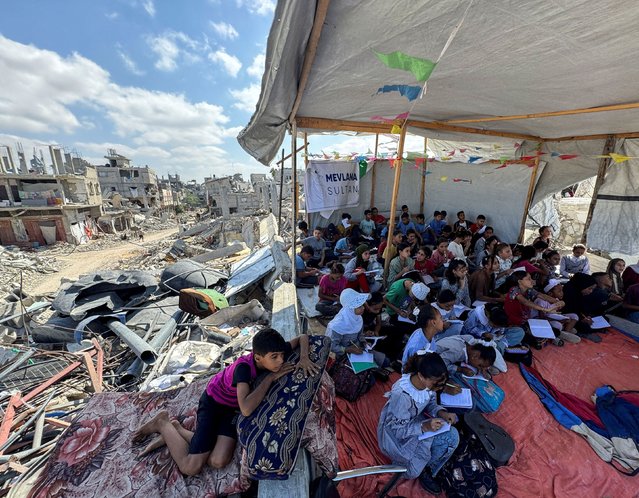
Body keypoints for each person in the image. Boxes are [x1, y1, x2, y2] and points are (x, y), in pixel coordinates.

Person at [133, 328, 317, 475]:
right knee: (191, 467)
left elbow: (303, 337)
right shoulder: (244, 368)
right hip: (214, 403)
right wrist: (270, 378)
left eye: (281, 355)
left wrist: (304, 358)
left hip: (231, 409)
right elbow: (246, 409)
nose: (281, 360)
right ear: (258, 357)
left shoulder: (275, 351)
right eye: (275, 357)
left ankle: (178, 429)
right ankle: (163, 423)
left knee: (217, 461)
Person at [377, 352, 459, 494]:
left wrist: (442, 413)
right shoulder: (402, 396)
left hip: (416, 423)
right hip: (395, 435)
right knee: (411, 472)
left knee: (453, 437)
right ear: (421, 376)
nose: (439, 388)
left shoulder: (426, 384)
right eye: (436, 383)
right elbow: (397, 430)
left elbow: (431, 402)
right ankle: (421, 464)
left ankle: (429, 468)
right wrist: (424, 427)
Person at [326, 289, 387, 367]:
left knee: (385, 362)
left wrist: (364, 343)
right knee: (369, 373)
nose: (363, 308)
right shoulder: (337, 326)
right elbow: (331, 346)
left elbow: (360, 335)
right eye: (359, 306)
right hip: (345, 355)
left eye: (362, 305)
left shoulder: (358, 318)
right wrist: (347, 349)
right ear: (350, 309)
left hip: (360, 350)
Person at [504, 271, 564, 346]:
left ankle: (550, 337)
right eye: (529, 279)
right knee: (529, 336)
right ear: (520, 281)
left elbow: (542, 296)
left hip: (525, 321)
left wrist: (557, 301)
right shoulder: (514, 290)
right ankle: (546, 338)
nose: (532, 281)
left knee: (553, 331)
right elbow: (525, 302)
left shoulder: (529, 290)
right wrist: (544, 309)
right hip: (513, 323)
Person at [562, 273, 601, 341]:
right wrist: (582, 318)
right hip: (566, 316)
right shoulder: (568, 291)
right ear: (583, 285)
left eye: (592, 289)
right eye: (589, 289)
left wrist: (586, 316)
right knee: (585, 327)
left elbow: (581, 308)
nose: (591, 291)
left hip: (576, 315)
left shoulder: (580, 292)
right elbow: (568, 309)